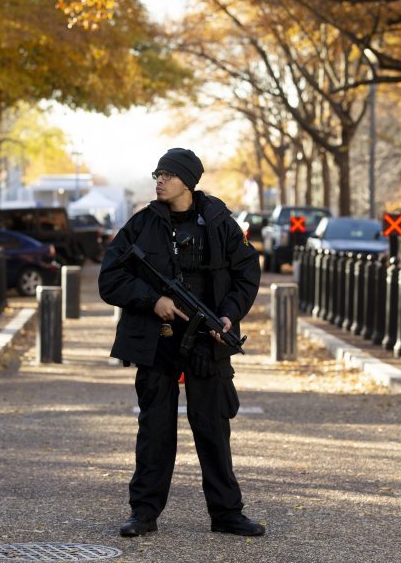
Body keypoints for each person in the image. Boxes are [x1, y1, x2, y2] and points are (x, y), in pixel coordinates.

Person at [98, 148, 264, 537]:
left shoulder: (220, 223)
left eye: (168, 175)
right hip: (156, 343)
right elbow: (110, 279)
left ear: (188, 182)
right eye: (157, 173)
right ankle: (143, 514)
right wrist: (152, 300)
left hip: (208, 341)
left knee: (212, 428)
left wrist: (228, 314)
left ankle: (227, 514)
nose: (159, 180)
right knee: (154, 429)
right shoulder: (141, 226)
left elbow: (246, 274)